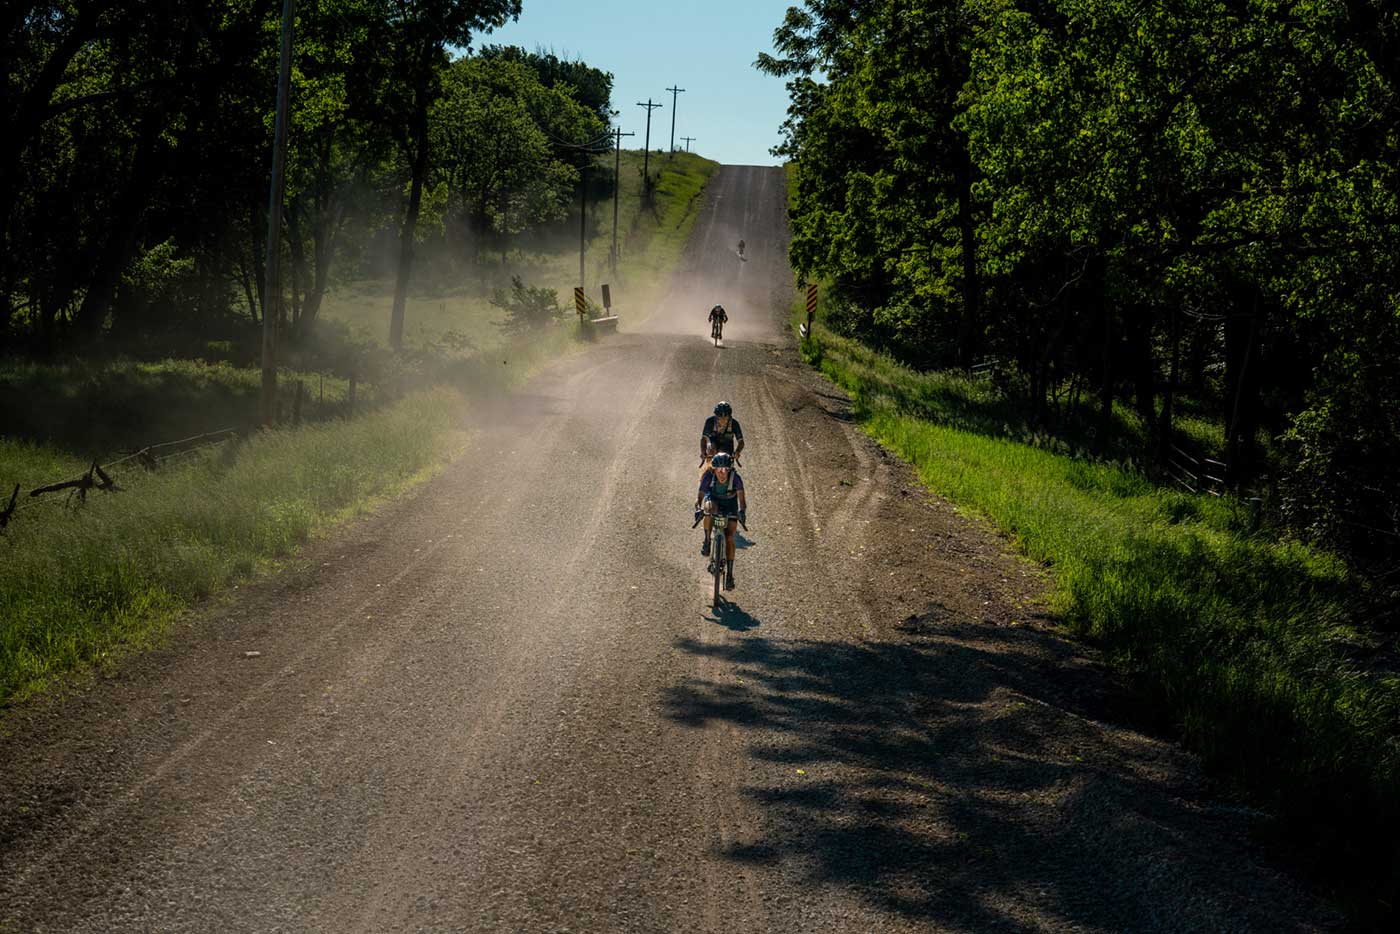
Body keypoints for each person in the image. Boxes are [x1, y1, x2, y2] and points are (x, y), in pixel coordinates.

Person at [695, 452, 746, 589]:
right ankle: (707, 540)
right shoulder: (708, 476)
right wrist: (699, 508)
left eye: (725, 470)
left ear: (729, 469)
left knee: (729, 537)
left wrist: (742, 511)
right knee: (708, 511)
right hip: (715, 500)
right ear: (714, 469)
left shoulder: (736, 478)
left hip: (730, 504)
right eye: (718, 470)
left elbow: (741, 498)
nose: (722, 473)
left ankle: (729, 575)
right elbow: (700, 495)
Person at [700, 401, 744, 467]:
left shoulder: (734, 424)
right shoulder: (710, 422)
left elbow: (741, 442)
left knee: (729, 464)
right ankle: (707, 470)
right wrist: (703, 452)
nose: (723, 419)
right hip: (713, 446)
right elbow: (704, 439)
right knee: (711, 453)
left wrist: (737, 452)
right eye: (720, 417)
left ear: (729, 416)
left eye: (725, 417)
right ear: (716, 417)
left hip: (728, 447)